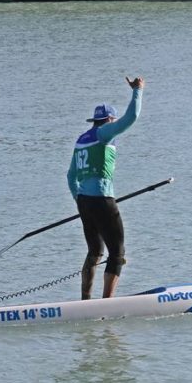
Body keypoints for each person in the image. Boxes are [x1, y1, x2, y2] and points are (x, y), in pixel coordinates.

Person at [67, 76, 145, 300]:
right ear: (109, 120)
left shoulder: (81, 140)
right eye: (113, 121)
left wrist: (80, 200)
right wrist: (137, 90)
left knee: (95, 251)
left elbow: (71, 176)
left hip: (84, 202)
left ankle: (85, 301)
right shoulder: (104, 134)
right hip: (102, 200)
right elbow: (131, 118)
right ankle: (106, 304)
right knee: (117, 253)